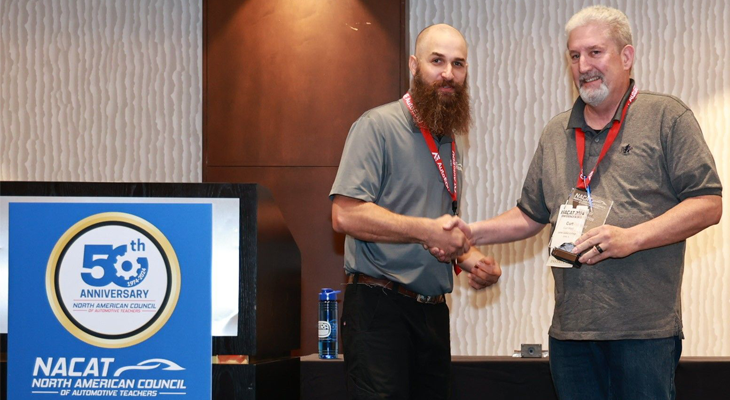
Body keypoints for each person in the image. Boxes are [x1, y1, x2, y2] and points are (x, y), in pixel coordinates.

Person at [435, 5, 722, 400]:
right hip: (570, 334)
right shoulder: (556, 131)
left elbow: (708, 203)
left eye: (595, 52)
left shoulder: (666, 117)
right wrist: (473, 231)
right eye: (574, 55)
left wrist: (632, 239)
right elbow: (529, 215)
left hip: (644, 333)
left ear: (626, 56)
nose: (583, 65)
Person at [330, 23, 502, 399]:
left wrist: (469, 258)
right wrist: (426, 230)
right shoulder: (377, 126)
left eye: (458, 64)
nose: (448, 73)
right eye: (437, 61)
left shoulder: (448, 139)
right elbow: (345, 215)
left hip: (433, 314)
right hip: (380, 310)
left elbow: (435, 229)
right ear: (413, 65)